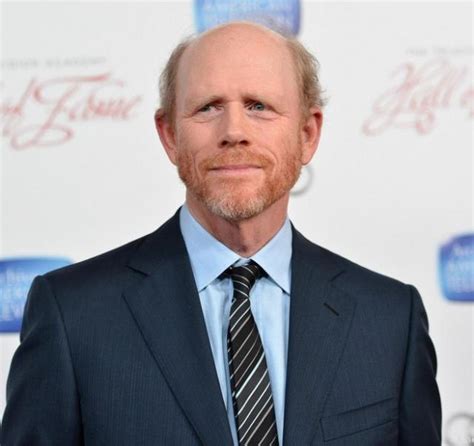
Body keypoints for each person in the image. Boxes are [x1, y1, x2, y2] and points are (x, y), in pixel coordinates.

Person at [1, 22, 441, 446]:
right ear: (170, 136)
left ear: (307, 134)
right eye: (208, 107)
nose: (234, 132)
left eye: (259, 106)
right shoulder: (73, 316)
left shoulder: (389, 320)